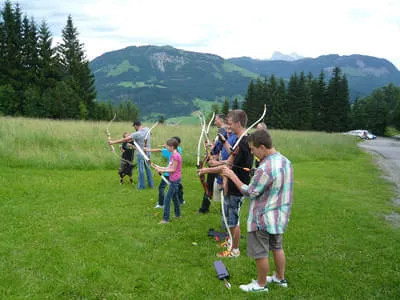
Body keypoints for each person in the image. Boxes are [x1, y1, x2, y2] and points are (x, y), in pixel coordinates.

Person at [220, 129, 293, 293]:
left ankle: (260, 285)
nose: (252, 153)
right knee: (277, 247)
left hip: (263, 218)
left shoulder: (265, 168)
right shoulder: (285, 161)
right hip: (279, 216)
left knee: (260, 252)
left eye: (253, 149)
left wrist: (232, 175)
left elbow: (249, 192)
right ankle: (280, 278)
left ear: (262, 147)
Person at [199, 110, 253, 258]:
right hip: (231, 184)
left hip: (237, 186)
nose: (229, 127)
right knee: (230, 218)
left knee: (233, 221)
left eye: (230, 124)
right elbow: (230, 160)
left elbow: (228, 166)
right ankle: (230, 241)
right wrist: (217, 159)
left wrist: (206, 170)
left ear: (238, 123)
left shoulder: (244, 142)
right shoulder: (239, 140)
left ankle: (234, 250)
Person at [108, 120, 154, 189]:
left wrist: (113, 142)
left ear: (136, 125)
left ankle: (141, 186)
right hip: (148, 153)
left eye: (134, 126)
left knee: (141, 170)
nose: (134, 128)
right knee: (148, 169)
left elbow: (125, 140)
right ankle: (151, 185)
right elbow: (150, 134)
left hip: (140, 154)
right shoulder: (147, 129)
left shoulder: (136, 134)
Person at [198, 114, 226, 214]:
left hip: (218, 163)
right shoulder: (222, 131)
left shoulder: (223, 131)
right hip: (216, 161)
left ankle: (206, 209)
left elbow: (222, 147)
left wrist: (214, 154)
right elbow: (217, 146)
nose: (214, 122)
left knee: (214, 185)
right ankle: (209, 208)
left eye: (216, 120)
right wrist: (210, 146)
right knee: (212, 185)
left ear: (221, 120)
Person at [146, 136, 184, 208]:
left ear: (173, 146)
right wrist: (160, 167)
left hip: (169, 173)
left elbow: (160, 150)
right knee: (178, 187)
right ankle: (181, 200)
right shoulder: (178, 150)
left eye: (170, 145)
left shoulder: (173, 153)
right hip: (175, 174)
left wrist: (148, 150)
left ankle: (161, 204)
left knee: (162, 188)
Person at [154, 138, 182, 224]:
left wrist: (162, 170)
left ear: (172, 147)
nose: (166, 147)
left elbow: (173, 169)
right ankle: (178, 215)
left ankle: (165, 219)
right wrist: (159, 167)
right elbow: (170, 167)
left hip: (175, 180)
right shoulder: (172, 155)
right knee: (175, 197)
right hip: (173, 179)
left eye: (167, 146)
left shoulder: (176, 156)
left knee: (167, 199)